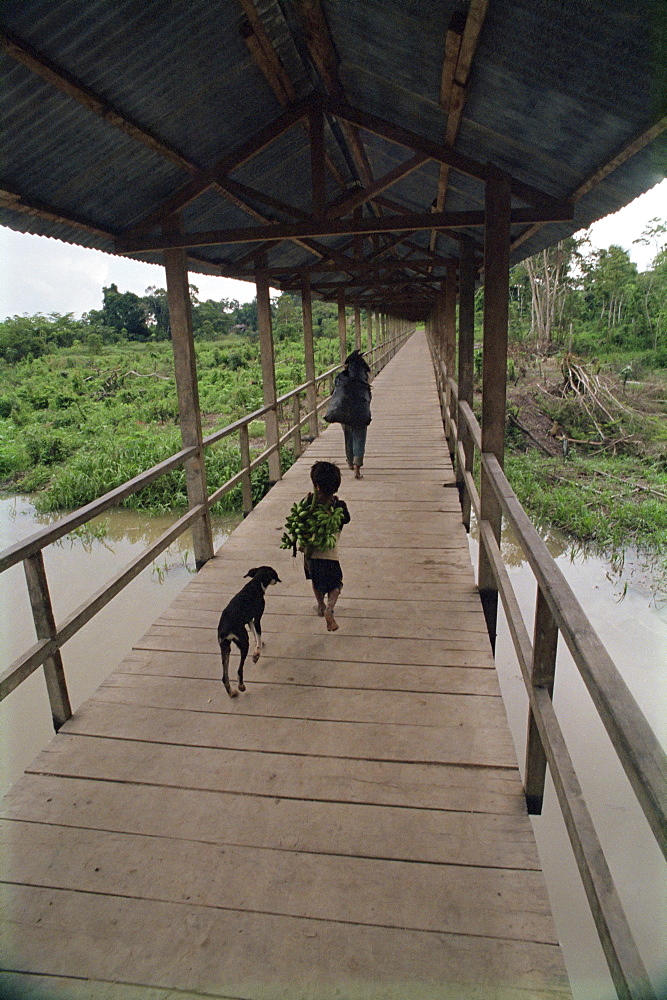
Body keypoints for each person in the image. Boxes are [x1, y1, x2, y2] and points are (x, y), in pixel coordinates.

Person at [304, 461, 350, 631]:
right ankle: (330, 609)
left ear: (316, 485)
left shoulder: (308, 505)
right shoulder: (339, 507)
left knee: (316, 582)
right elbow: (346, 519)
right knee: (336, 584)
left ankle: (320, 605)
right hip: (330, 555)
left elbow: (300, 522)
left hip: (311, 555)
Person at [340, 350, 372, 479]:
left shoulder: (343, 377)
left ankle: (350, 461)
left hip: (345, 413)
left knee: (348, 436)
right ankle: (357, 468)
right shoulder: (363, 377)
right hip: (361, 413)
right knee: (359, 438)